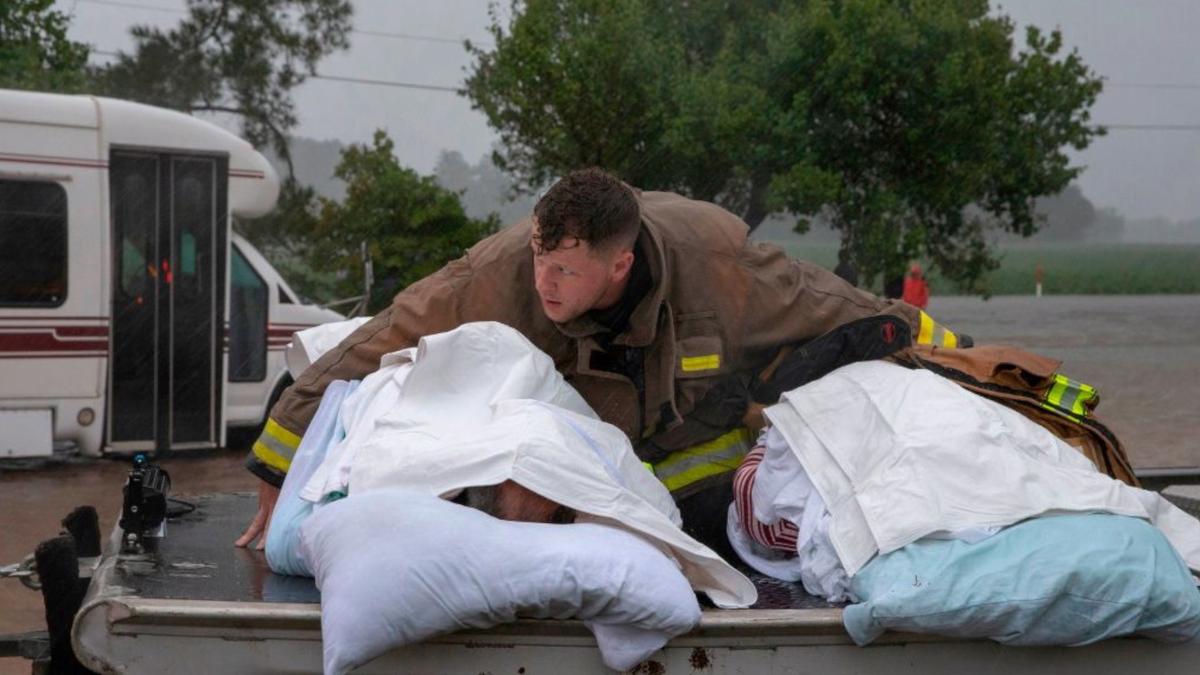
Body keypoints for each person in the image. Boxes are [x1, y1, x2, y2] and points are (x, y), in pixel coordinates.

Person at [235, 168, 961, 556]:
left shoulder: (718, 264)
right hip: (561, 475)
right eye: (539, 260)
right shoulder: (503, 274)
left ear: (621, 265)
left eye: (565, 272)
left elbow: (840, 306)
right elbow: (369, 341)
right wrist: (276, 465)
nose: (544, 284)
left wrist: (956, 359)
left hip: (687, 467)